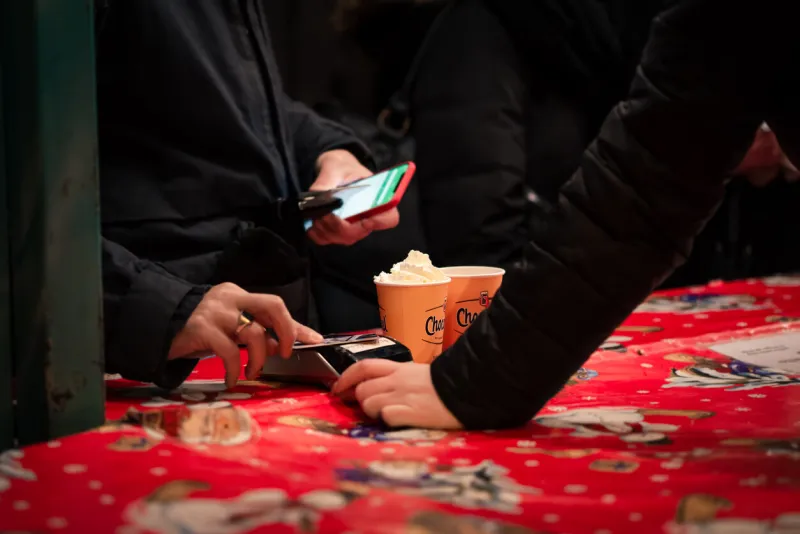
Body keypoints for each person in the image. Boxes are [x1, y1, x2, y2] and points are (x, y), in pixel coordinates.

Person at [333, 0, 798, 429]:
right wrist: (478, 378)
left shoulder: (604, 35)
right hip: (529, 319)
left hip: (571, 318)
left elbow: (645, 180)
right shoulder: (484, 32)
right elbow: (635, 191)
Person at [96, 1, 398, 390]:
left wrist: (330, 151)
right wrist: (169, 310)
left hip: (238, 326)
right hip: (142, 352)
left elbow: (240, 104)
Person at [411, 0, 668, 269]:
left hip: (584, 277)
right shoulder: (481, 33)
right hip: (537, 279)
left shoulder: (631, 35)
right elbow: (479, 243)